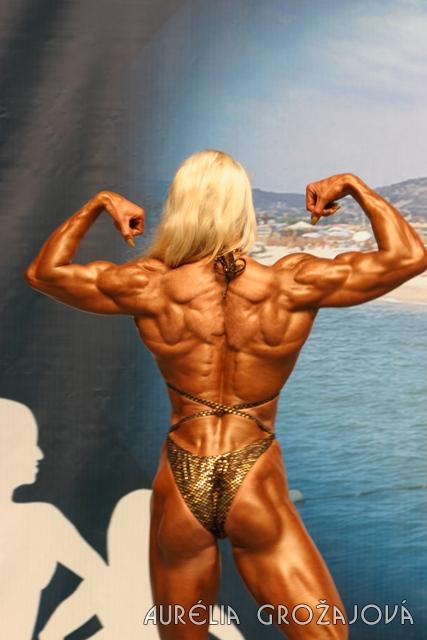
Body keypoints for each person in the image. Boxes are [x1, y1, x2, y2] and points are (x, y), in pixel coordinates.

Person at [25, 149, 427, 640]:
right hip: (253, 473)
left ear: (180, 208)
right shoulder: (290, 283)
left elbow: (44, 273)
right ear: (243, 210)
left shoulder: (150, 286)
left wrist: (99, 204)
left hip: (181, 476)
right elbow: (409, 257)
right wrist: (353, 185)